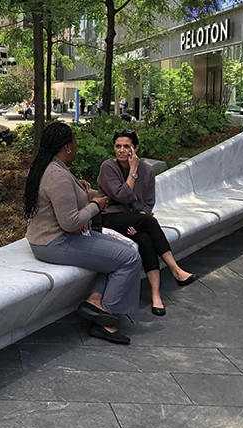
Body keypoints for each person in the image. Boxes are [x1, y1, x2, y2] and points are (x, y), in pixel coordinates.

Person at [24, 122, 142, 344]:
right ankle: (106, 318)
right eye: (74, 141)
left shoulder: (48, 166)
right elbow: (70, 223)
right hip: (56, 242)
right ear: (66, 147)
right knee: (129, 258)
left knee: (124, 249)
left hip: (52, 238)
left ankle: (94, 301)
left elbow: (60, 197)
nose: (76, 146)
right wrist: (96, 205)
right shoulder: (56, 175)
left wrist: (79, 189)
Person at [97, 129, 199, 316]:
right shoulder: (108, 167)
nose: (121, 150)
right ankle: (175, 270)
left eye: (126, 146)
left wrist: (139, 220)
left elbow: (149, 202)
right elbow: (122, 196)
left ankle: (155, 295)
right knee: (149, 222)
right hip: (111, 218)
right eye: (118, 146)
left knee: (145, 239)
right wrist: (133, 171)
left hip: (136, 220)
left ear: (135, 148)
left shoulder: (148, 171)